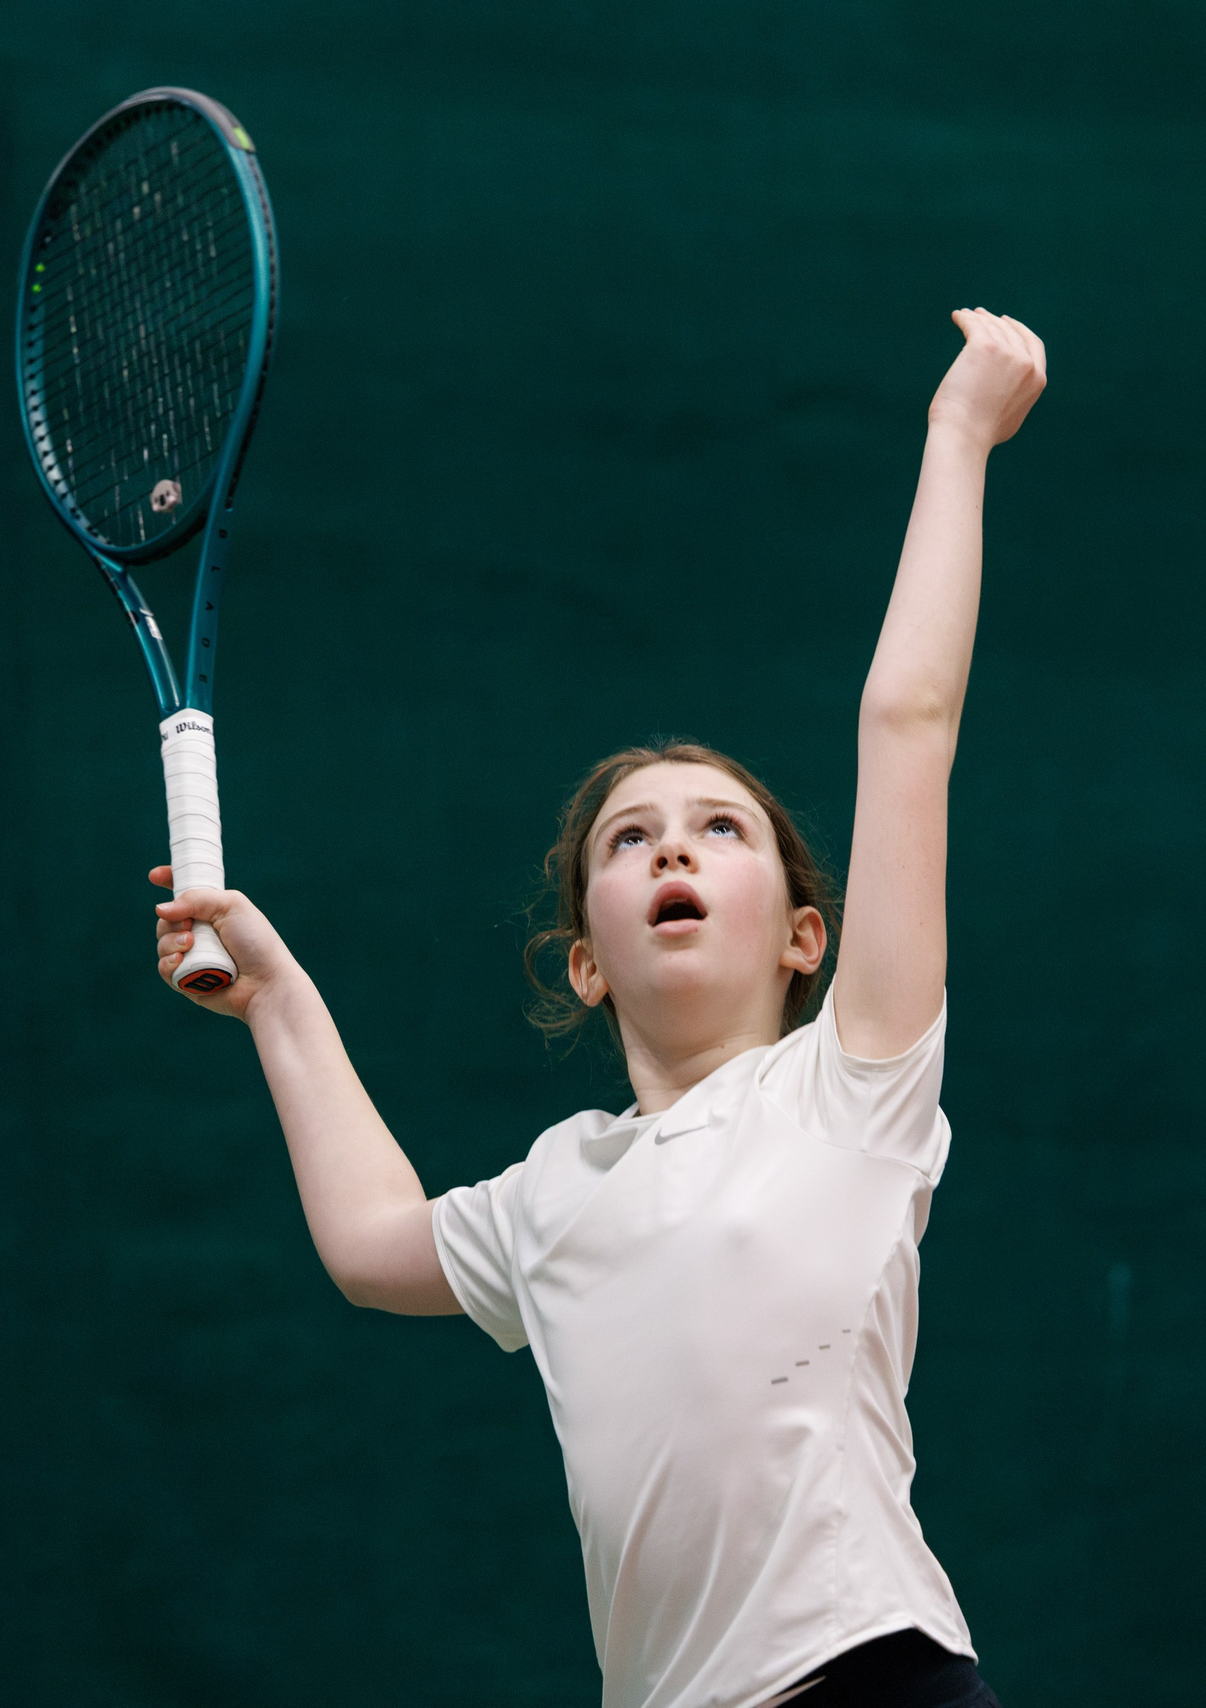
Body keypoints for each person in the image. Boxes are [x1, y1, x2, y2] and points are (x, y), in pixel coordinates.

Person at [148, 308, 1047, 1708]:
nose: (673, 850)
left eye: (718, 831)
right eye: (630, 840)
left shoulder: (854, 1084)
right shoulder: (558, 1192)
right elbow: (371, 1242)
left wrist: (959, 433)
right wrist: (275, 996)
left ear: (808, 938)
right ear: (586, 958)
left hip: (873, 1679)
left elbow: (907, 721)